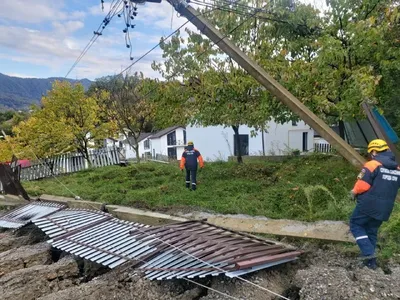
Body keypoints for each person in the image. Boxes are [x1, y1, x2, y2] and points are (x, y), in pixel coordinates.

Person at [350, 139, 400, 269]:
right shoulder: (397, 168)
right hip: (385, 208)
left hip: (368, 204)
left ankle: (368, 253)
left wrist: (354, 192)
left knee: (356, 225)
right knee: (371, 230)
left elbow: (362, 185)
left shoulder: (372, 164)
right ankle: (370, 264)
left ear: (374, 151)